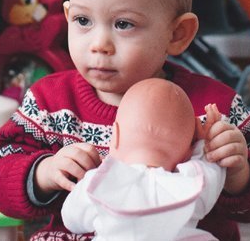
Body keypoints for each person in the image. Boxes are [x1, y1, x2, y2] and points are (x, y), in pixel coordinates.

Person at [0, 0, 250, 240]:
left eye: (123, 24)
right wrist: (44, 172)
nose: (99, 44)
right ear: (67, 16)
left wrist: (239, 172)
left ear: (177, 34)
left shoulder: (216, 108)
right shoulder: (49, 100)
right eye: (83, 20)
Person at [62, 78, 227, 240]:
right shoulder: (191, 182)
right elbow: (213, 171)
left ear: (116, 135)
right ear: (186, 155)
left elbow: (71, 220)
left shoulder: (98, 181)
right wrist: (204, 144)